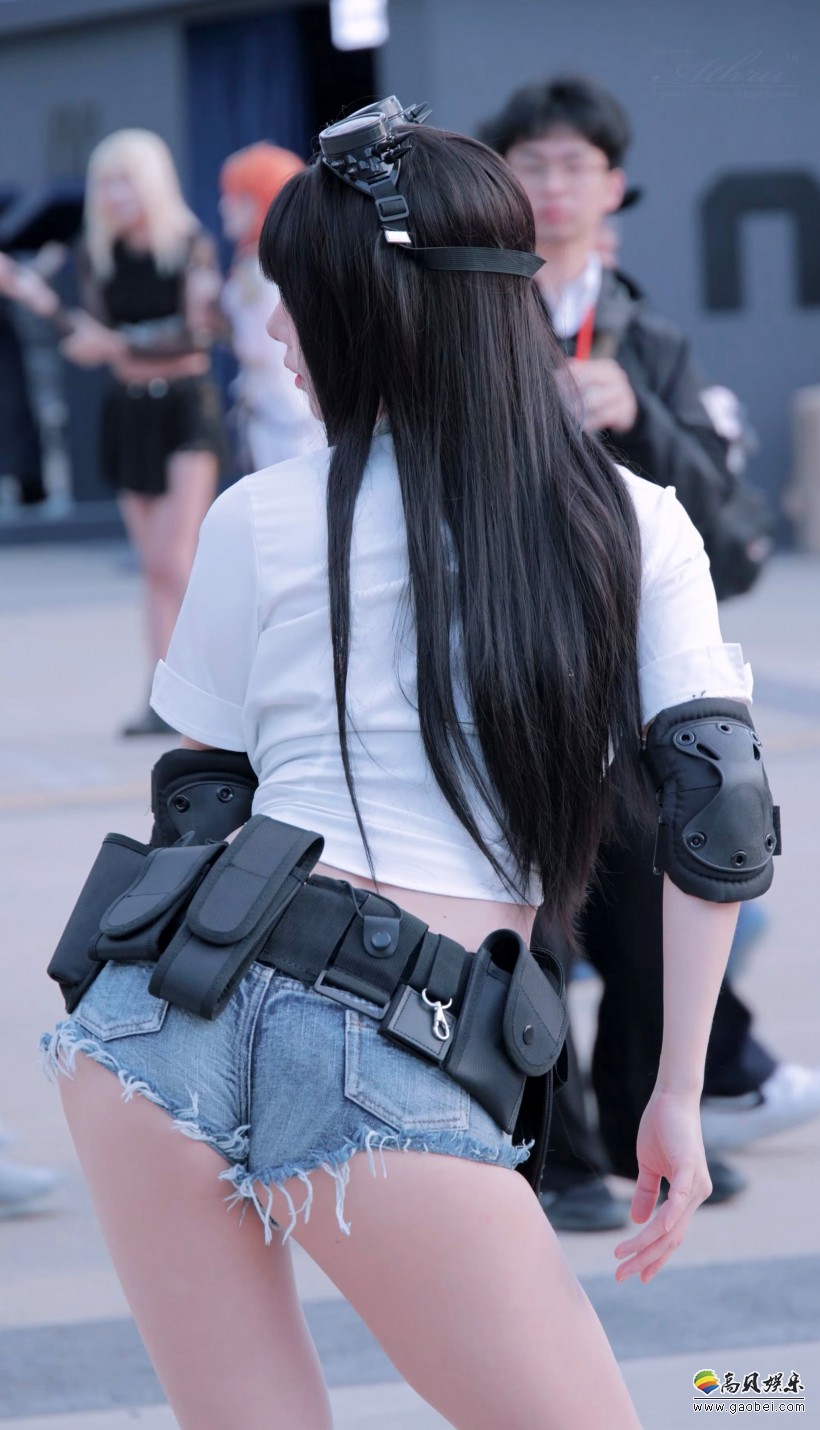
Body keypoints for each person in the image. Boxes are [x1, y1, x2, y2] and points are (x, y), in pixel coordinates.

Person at [42, 103, 775, 1429]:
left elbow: (201, 795)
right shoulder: (624, 518)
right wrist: (675, 1089)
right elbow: (717, 806)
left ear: (374, 314)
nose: (277, 333)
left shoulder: (260, 513)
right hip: (391, 1026)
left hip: (149, 1013)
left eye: (297, 301)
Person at [480, 74, 817, 1231]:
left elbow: (726, 526)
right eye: (531, 162)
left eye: (573, 164)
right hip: (511, 667)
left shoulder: (653, 339)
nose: (552, 184)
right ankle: (557, 1155)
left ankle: (642, 1130)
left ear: (613, 185)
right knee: (526, 920)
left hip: (631, 680)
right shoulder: (475, 323)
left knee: (641, 924)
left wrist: (640, 415)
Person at [0, 132, 226, 735]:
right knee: (152, 566)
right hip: (128, 412)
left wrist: (119, 345)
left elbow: (197, 340)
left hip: (185, 407)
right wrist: (33, 297)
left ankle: (210, 689)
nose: (115, 194)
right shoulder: (97, 255)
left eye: (126, 180)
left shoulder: (189, 246)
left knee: (175, 559)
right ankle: (162, 695)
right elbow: (88, 339)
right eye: (106, 182)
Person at [219, 142, 322, 469]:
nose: (224, 206)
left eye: (237, 198)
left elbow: (257, 346)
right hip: (279, 403)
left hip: (282, 407)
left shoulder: (261, 268)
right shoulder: (262, 262)